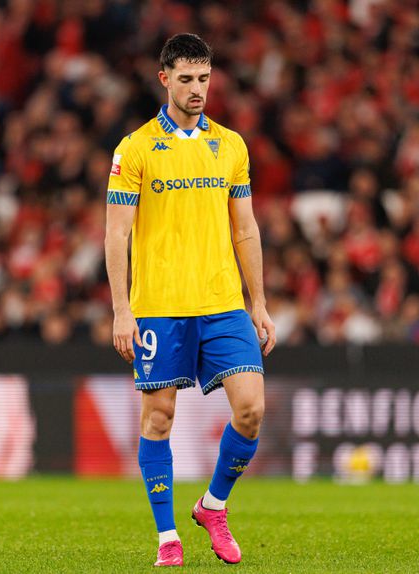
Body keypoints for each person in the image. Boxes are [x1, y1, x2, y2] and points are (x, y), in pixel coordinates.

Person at [104, 34, 276, 567]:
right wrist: (121, 310)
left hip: (222, 301)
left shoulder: (231, 145)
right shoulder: (133, 149)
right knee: (159, 418)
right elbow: (116, 234)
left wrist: (260, 302)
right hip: (159, 305)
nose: (197, 89)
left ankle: (213, 506)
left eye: (204, 78)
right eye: (186, 79)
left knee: (251, 409)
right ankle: (167, 538)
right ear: (164, 79)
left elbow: (245, 228)